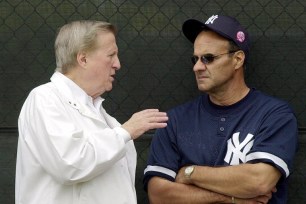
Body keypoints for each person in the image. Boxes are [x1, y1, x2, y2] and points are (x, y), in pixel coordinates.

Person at [143, 14, 298, 203]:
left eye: (208, 58)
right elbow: (159, 195)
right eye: (195, 59)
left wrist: (189, 173)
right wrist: (229, 198)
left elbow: (259, 181)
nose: (197, 67)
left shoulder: (274, 114)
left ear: (238, 59)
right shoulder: (174, 120)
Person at [15, 20, 168, 204]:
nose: (117, 64)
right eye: (111, 55)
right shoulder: (44, 98)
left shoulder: (107, 119)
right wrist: (125, 132)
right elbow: (70, 164)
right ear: (83, 59)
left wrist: (122, 132)